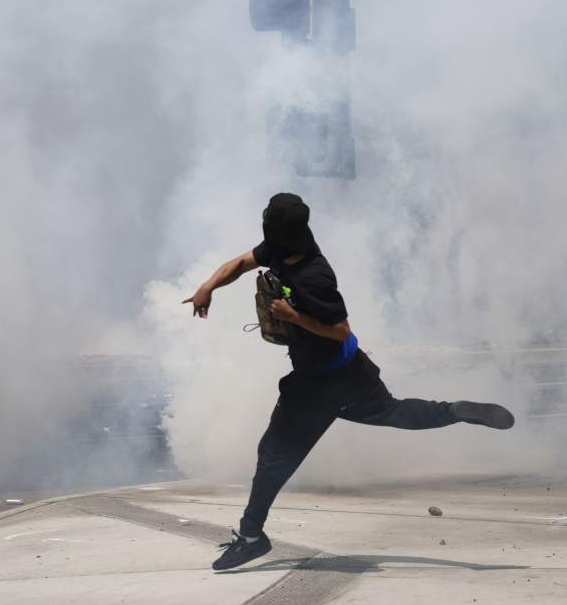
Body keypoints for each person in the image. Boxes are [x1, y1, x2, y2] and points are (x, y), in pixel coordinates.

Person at [182, 193, 515, 571]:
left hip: (316, 386)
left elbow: (340, 330)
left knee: (272, 458)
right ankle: (454, 411)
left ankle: (251, 537)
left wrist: (292, 314)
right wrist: (208, 286)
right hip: (352, 373)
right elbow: (241, 263)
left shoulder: (315, 276)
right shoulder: (282, 247)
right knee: (395, 412)